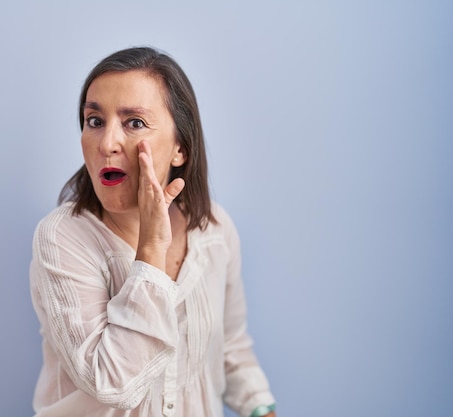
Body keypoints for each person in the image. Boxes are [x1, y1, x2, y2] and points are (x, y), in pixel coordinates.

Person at [29, 46, 276, 417]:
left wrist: (261, 408)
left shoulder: (215, 230)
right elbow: (112, 383)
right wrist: (152, 248)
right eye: (95, 120)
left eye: (134, 123)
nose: (108, 143)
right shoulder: (61, 238)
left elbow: (229, 347)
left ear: (180, 149)